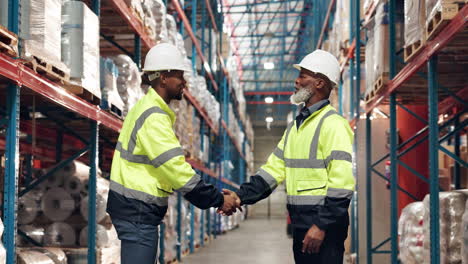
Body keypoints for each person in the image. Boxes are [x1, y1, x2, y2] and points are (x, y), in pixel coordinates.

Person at [106, 43, 239, 264]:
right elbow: (176, 170)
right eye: (179, 75)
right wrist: (217, 199)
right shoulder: (154, 117)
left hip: (136, 210)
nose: (184, 82)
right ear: (163, 78)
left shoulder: (150, 109)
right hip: (136, 210)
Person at [221, 50, 355, 264]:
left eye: (303, 75)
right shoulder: (296, 127)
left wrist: (321, 226)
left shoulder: (333, 124)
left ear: (319, 83)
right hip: (302, 224)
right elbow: (272, 171)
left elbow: (342, 185)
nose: (296, 80)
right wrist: (239, 196)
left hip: (323, 229)